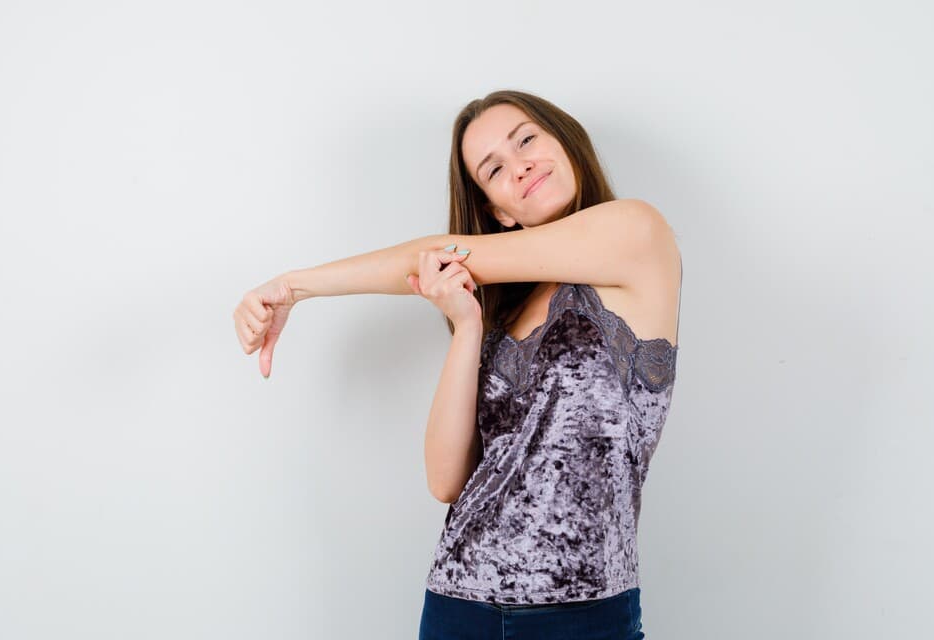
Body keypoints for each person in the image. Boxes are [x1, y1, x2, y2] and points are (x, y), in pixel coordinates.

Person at [232, 90, 682, 640]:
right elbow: (447, 481)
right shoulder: (502, 312)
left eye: (526, 140)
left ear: (562, 139)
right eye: (494, 169)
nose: (520, 167)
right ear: (496, 210)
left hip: (583, 615)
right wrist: (468, 328)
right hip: (457, 604)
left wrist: (292, 287)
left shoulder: (637, 230)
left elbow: (439, 256)